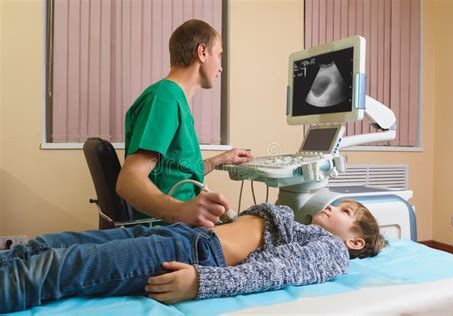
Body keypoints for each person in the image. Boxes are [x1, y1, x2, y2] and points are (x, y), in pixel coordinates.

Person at [0, 200, 386, 313]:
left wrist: (202, 282)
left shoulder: (331, 251)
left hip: (196, 253)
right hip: (188, 234)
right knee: (53, 244)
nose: (334, 208)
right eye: (338, 205)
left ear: (355, 243)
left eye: (347, 213)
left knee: (59, 269)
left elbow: (275, 271)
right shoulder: (301, 228)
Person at [116, 19, 253, 228]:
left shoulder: (174, 100)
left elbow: (175, 171)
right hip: (168, 231)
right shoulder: (164, 99)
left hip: (179, 226)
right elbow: (128, 181)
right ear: (202, 52)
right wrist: (181, 212)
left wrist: (221, 159)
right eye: (219, 55)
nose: (221, 66)